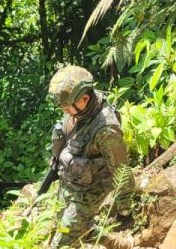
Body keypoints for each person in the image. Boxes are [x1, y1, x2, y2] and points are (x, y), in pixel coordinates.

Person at [43, 65, 136, 249]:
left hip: (89, 193)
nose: (64, 111)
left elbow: (121, 171)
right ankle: (120, 245)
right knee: (62, 229)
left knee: (62, 242)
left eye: (67, 107)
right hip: (70, 183)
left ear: (85, 98)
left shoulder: (106, 129)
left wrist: (124, 209)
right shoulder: (79, 110)